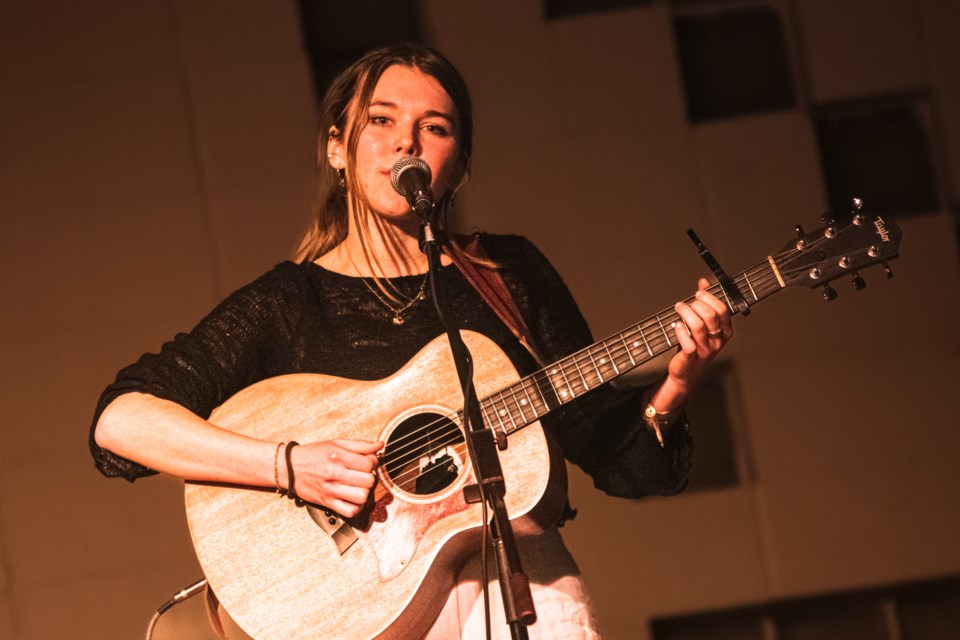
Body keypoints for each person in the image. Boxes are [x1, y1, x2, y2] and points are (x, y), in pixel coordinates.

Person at [90, 42, 733, 640]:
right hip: (364, 611)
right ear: (338, 149)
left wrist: (678, 383)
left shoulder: (507, 274)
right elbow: (120, 422)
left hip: (519, 588)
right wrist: (288, 464)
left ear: (459, 164)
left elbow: (615, 456)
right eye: (381, 120)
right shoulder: (288, 303)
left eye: (436, 127)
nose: (408, 142)